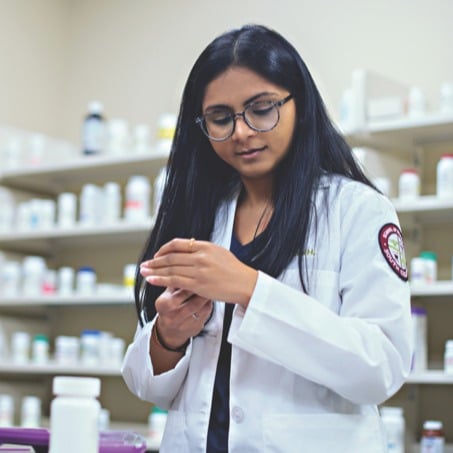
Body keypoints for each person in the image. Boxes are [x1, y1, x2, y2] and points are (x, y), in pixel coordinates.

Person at [121, 24, 412, 452]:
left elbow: (380, 369)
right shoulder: (199, 212)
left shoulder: (358, 210)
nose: (240, 132)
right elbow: (151, 387)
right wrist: (168, 335)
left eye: (261, 109)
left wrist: (249, 290)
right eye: (220, 118)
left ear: (300, 104)